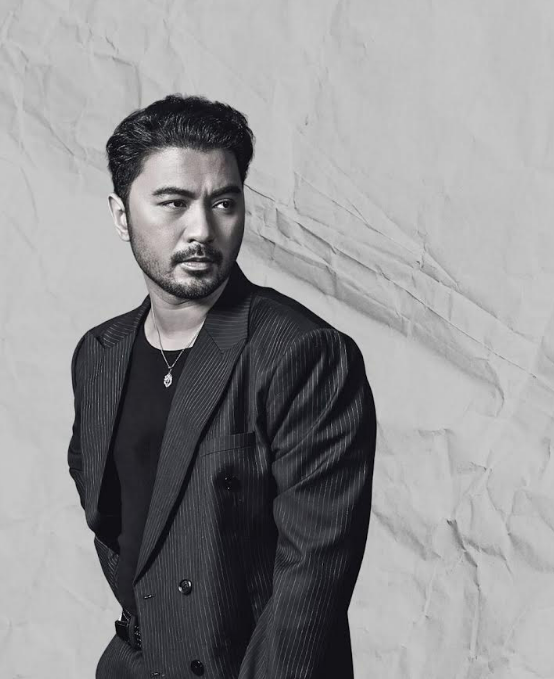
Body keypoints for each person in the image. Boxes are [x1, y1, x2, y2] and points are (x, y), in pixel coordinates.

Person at [67, 94, 376, 679]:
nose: (202, 230)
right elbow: (113, 515)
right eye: (174, 203)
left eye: (224, 203)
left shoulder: (302, 353)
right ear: (121, 214)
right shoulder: (100, 353)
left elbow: (313, 577)